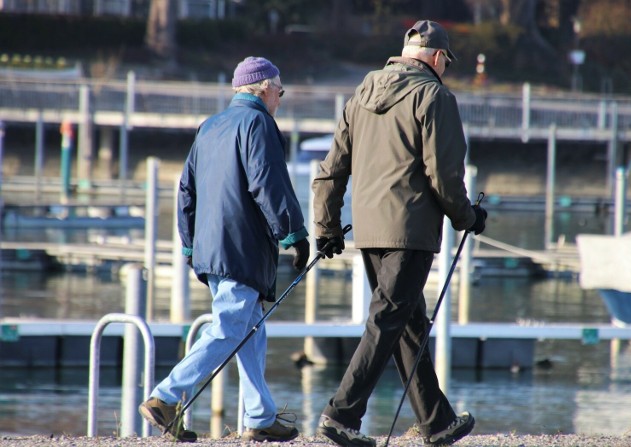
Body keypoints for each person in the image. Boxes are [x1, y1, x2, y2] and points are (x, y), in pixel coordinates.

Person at [312, 20, 487, 447]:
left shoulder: (361, 92)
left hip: (370, 231)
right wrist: (468, 218)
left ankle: (437, 420)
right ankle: (341, 415)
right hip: (409, 230)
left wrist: (326, 227)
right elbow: (444, 176)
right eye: (446, 60)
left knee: (407, 324)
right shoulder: (436, 97)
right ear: (437, 57)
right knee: (388, 320)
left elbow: (331, 169)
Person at [139, 56, 309, 443]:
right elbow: (268, 182)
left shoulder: (210, 126)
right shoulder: (258, 123)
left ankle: (260, 417)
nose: (280, 98)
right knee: (230, 327)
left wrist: (188, 244)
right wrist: (294, 234)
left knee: (250, 329)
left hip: (211, 248)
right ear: (265, 88)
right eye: (280, 90)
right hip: (241, 247)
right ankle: (165, 397)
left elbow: (186, 190)